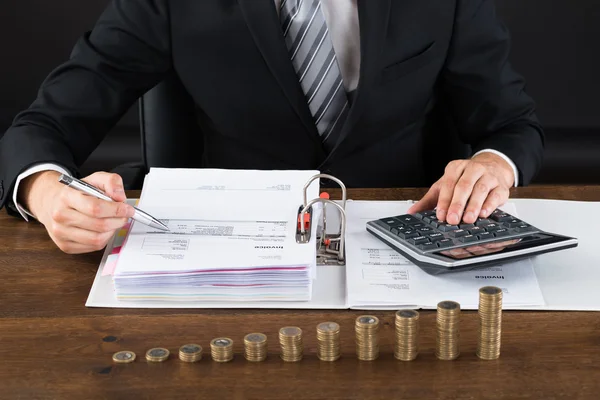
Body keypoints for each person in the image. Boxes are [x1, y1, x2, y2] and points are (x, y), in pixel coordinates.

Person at [0, 0, 543, 254]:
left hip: (406, 239)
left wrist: (493, 163)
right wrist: (45, 192)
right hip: (230, 254)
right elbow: (46, 124)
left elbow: (511, 123)